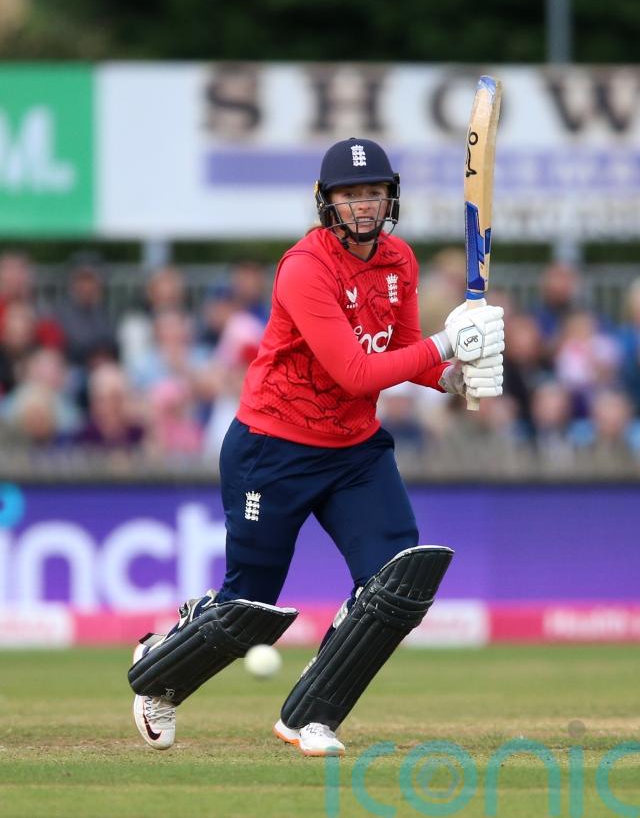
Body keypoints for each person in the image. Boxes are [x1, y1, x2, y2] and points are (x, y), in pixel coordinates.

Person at [127, 138, 505, 756]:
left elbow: (399, 350)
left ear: (391, 198)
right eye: (350, 195)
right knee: (250, 608)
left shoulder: (400, 260)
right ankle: (158, 676)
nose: (364, 205)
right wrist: (446, 343)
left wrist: (450, 376)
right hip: (271, 449)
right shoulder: (305, 267)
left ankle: (313, 714)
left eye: (374, 192)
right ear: (326, 202)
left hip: (354, 451)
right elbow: (355, 372)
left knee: (398, 581)